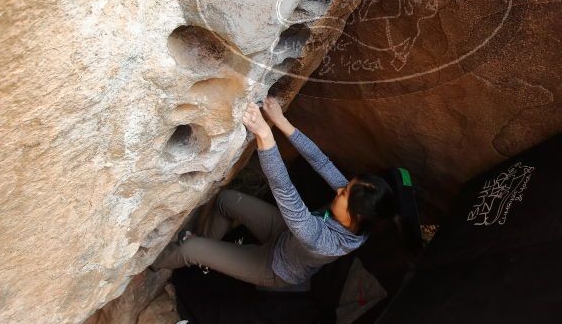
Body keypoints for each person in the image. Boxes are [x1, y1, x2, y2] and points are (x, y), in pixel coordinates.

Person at [152, 96, 397, 289]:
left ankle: (155, 263)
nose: (340, 189)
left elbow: (284, 190)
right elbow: (321, 162)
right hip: (285, 235)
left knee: (188, 251)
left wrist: (264, 134)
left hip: (274, 267)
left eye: (344, 194)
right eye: (346, 186)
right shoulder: (354, 212)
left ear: (355, 217)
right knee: (225, 201)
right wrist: (281, 121)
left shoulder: (323, 242)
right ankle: (206, 246)